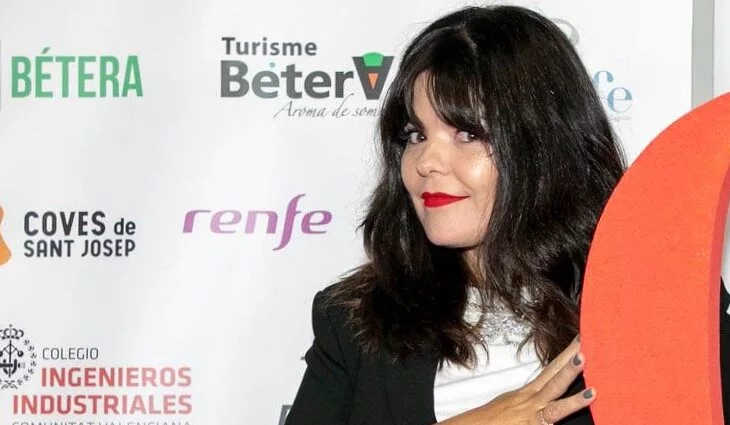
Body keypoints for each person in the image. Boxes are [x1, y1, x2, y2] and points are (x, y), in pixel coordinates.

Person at [285, 5, 729, 425]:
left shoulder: (657, 304)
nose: (427, 162)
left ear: (543, 148)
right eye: (415, 134)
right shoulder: (356, 321)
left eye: (467, 133)